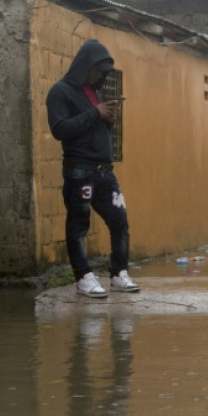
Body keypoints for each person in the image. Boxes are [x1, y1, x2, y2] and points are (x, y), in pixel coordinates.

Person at [46, 39, 139, 298]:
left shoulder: (94, 93)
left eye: (104, 72)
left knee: (119, 220)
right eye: (97, 70)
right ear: (84, 66)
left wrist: (106, 118)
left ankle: (119, 273)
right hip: (80, 171)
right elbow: (59, 129)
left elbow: (93, 127)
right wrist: (95, 113)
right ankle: (83, 277)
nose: (100, 76)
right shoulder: (60, 92)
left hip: (104, 172)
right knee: (78, 225)